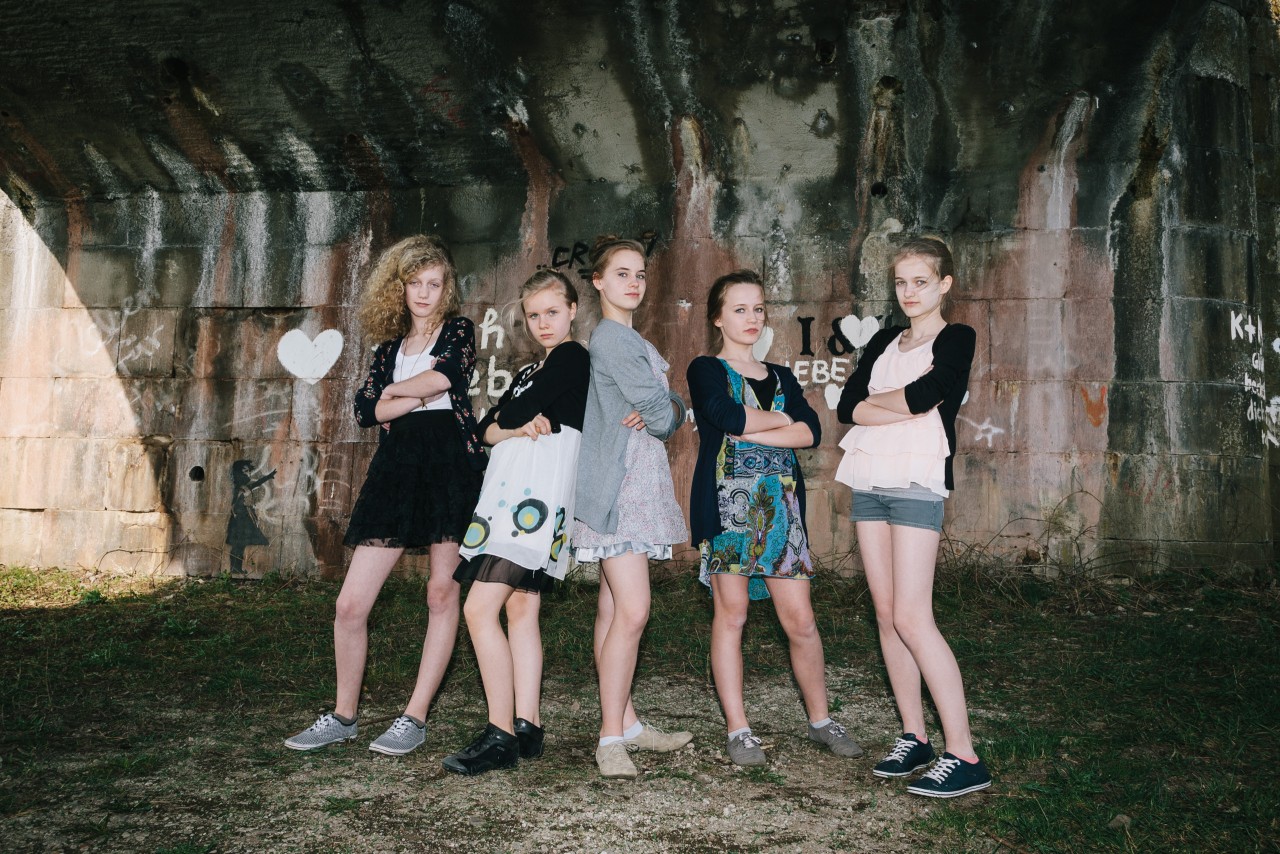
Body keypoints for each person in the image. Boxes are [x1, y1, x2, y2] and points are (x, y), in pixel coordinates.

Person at [285, 235, 486, 756]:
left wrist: (394, 393)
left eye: (434, 283)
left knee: (441, 594)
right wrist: (408, 392)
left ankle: (414, 717)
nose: (424, 292)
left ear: (446, 289)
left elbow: (447, 377)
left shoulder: (458, 331)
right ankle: (343, 716)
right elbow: (364, 410)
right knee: (350, 604)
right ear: (399, 288)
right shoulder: (388, 350)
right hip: (395, 471)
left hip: (450, 469)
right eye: (415, 282)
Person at [834, 236, 990, 798]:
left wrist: (876, 406)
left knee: (913, 617)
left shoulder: (957, 337)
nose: (909, 292)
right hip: (869, 478)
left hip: (917, 481)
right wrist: (893, 405)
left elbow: (930, 394)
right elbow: (845, 405)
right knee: (885, 614)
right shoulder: (882, 339)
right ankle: (914, 737)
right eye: (901, 282)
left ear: (944, 284)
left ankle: (965, 754)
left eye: (920, 282)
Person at [687, 270, 863, 767]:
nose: (752, 318)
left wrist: (763, 427)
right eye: (739, 309)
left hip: (782, 510)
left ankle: (821, 721)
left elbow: (811, 433)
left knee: (801, 620)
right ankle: (739, 729)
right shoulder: (705, 369)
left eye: (758, 308)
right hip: (728, 508)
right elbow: (729, 418)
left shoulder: (782, 376)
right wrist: (783, 421)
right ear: (718, 318)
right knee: (733, 615)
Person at [442, 270, 590, 775]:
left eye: (553, 312)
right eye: (533, 315)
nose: (543, 323)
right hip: (513, 497)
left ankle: (499, 734)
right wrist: (511, 427)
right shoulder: (532, 368)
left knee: (478, 610)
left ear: (573, 311)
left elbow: (510, 414)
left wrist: (510, 423)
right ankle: (527, 726)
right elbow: (485, 429)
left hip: (532, 501)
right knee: (520, 610)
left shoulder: (572, 357)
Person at [572, 236, 693, 780]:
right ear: (598, 282)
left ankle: (628, 723)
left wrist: (669, 407)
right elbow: (662, 417)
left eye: (640, 274)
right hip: (622, 489)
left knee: (612, 610)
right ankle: (609, 739)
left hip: (631, 483)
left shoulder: (627, 337)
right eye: (621, 273)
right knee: (635, 611)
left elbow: (665, 410)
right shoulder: (613, 339)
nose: (634, 283)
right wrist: (670, 408)